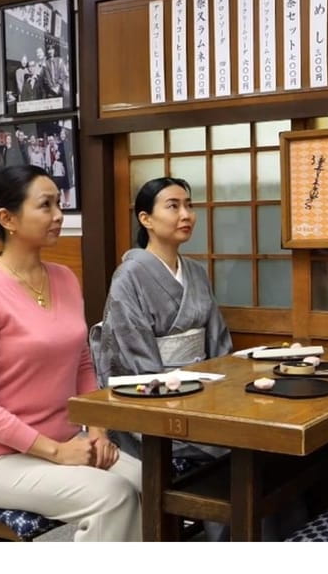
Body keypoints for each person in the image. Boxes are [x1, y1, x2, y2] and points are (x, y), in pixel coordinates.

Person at [0, 164, 142, 541]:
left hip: (68, 441)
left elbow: (83, 362)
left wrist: (99, 431)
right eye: (45, 205)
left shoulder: (65, 278)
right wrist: (56, 452)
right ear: (7, 218)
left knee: (151, 483)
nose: (59, 216)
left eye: (59, 203)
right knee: (115, 496)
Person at [93, 177, 232, 467]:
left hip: (205, 394)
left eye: (188, 206)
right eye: (173, 206)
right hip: (155, 401)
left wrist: (219, 393)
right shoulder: (128, 276)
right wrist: (183, 398)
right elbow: (134, 358)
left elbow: (218, 343)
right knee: (233, 451)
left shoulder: (195, 271)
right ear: (146, 219)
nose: (186, 215)